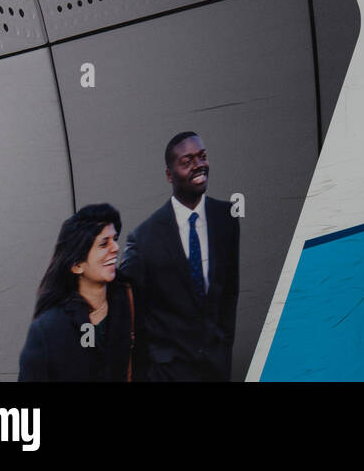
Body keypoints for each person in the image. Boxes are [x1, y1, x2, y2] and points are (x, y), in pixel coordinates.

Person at [118, 131, 240, 381]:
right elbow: (133, 312)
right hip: (167, 373)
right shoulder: (144, 238)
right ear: (169, 174)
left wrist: (224, 344)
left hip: (216, 368)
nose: (199, 165)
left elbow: (229, 290)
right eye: (187, 161)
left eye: (202, 156)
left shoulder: (227, 218)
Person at [19, 203, 134, 381]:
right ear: (77, 265)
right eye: (104, 244)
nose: (116, 248)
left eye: (115, 239)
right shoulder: (48, 330)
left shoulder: (132, 303)